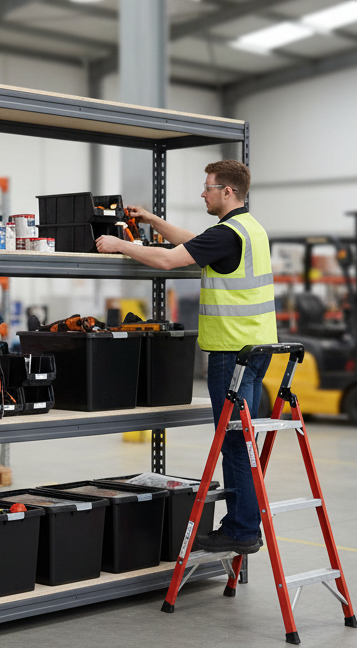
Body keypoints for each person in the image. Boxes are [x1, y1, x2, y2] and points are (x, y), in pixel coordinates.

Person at [95, 159, 277, 554]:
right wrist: (152, 220)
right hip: (256, 348)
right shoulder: (248, 228)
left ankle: (242, 529)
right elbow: (193, 241)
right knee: (242, 440)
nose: (203, 193)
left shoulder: (227, 234)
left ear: (227, 191)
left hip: (231, 352)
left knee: (234, 444)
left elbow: (167, 259)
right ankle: (246, 524)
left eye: (208, 187)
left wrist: (120, 244)